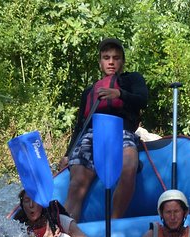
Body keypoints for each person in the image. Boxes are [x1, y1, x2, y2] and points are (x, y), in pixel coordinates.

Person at [61, 38, 148, 222]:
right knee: (77, 183)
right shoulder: (90, 91)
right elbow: (80, 125)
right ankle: (66, 236)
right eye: (106, 57)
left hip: (121, 132)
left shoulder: (132, 80)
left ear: (122, 61)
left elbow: (143, 100)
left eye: (116, 58)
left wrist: (120, 94)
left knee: (128, 167)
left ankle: (114, 223)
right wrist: (68, 154)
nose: (111, 62)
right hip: (92, 135)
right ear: (100, 62)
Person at [13, 189, 97, 237]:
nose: (31, 205)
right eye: (27, 201)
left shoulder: (60, 220)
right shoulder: (20, 229)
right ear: (22, 205)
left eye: (35, 200)